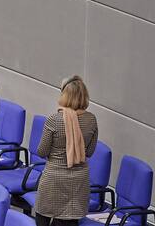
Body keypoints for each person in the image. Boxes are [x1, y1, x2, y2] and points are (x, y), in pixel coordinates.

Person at [33, 76, 98, 226]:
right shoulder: (91, 120)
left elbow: (42, 151)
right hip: (79, 180)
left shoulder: (54, 120)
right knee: (70, 220)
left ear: (64, 95)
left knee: (43, 216)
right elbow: (90, 151)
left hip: (54, 178)